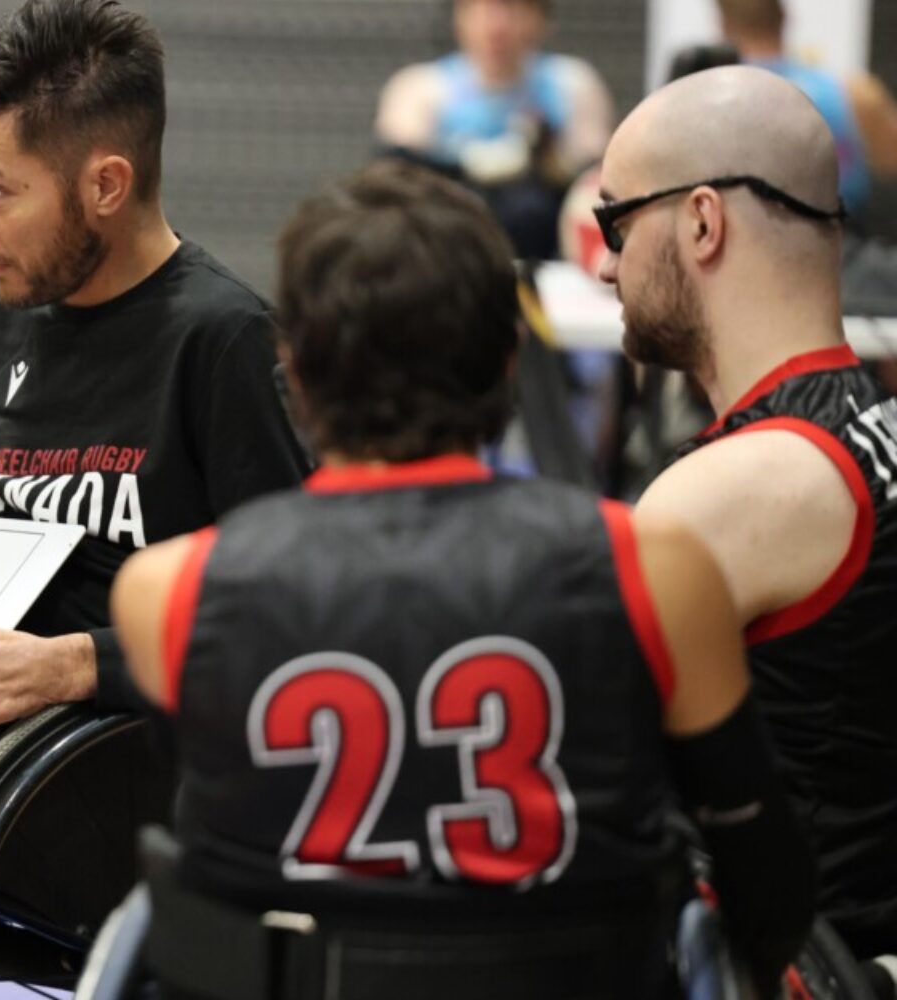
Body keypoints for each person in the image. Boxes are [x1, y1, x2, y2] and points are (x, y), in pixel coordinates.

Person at [112, 159, 813, 999]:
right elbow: (766, 879)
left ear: (292, 368)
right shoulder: (655, 567)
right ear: (510, 360)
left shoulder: (165, 592)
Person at [0, 0, 306, 834]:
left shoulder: (223, 341)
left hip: (101, 761)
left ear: (106, 185)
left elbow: (287, 613)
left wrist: (78, 665)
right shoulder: (4, 318)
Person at [597, 64, 897, 975]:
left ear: (700, 221)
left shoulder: (726, 492)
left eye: (616, 221)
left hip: (785, 967)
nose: (605, 262)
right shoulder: (874, 421)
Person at [376, 0, 615, 259]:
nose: (497, 26)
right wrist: (472, 164)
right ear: (459, 17)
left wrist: (547, 163)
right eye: (482, 9)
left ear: (542, 19)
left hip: (544, 259)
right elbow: (396, 180)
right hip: (447, 257)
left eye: (513, 8)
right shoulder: (419, 89)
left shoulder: (572, 85)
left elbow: (596, 182)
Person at [716, 0, 885, 214]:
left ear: (723, 25)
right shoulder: (855, 94)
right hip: (839, 238)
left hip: (741, 237)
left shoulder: (704, 98)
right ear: (785, 16)